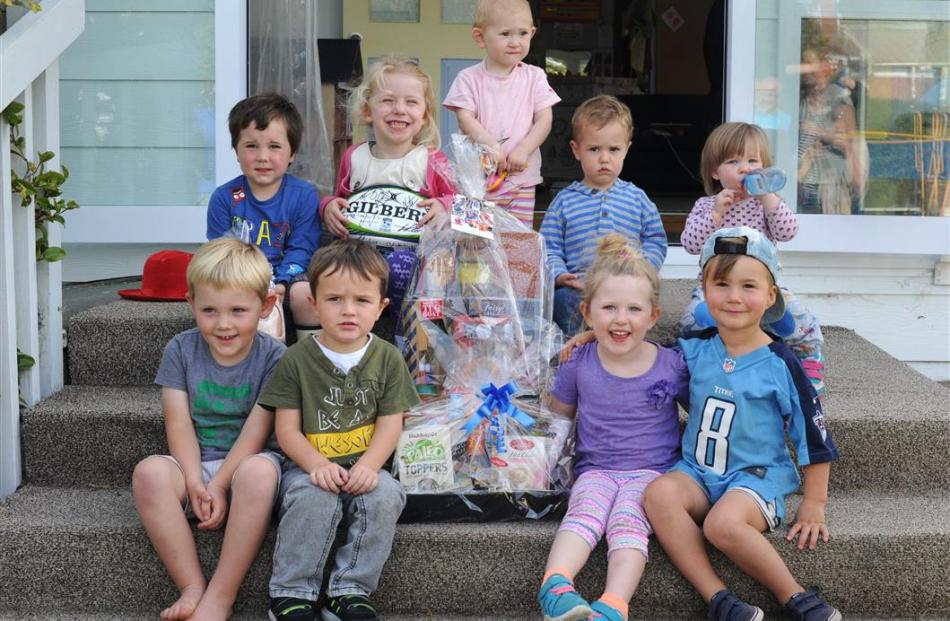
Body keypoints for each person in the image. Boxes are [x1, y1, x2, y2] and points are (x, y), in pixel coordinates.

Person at [644, 227, 841, 621]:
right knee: (658, 495)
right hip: (698, 471)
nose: (734, 296)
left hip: (755, 476)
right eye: (721, 284)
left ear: (770, 296)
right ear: (704, 289)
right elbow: (639, 361)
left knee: (722, 524)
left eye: (748, 285)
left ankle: (795, 597)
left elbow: (813, 433)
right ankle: (719, 598)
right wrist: (592, 346)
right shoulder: (691, 349)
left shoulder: (781, 364)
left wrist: (814, 503)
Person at [261, 239, 420, 621]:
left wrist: (370, 465)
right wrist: (315, 464)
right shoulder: (296, 359)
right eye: (334, 300)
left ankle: (349, 591)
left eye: (362, 301)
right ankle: (292, 591)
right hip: (306, 467)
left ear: (381, 306)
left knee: (386, 495)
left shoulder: (388, 358)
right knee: (314, 497)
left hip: (367, 466)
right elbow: (287, 430)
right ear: (313, 303)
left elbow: (390, 421)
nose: (348, 311)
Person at [131, 237, 286, 621]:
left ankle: (220, 595)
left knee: (258, 473)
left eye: (238, 310)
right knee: (148, 473)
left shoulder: (274, 356)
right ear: (191, 305)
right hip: (196, 462)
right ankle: (192, 586)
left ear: (265, 306)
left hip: (249, 468)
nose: (223, 324)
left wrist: (219, 484)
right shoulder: (180, 350)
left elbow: (256, 429)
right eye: (210, 311)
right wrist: (197, 482)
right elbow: (178, 422)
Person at [537, 234, 689, 621]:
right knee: (584, 513)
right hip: (596, 469)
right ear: (587, 313)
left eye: (634, 309)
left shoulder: (671, 364)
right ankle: (556, 585)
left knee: (628, 523)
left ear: (653, 316)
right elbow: (560, 417)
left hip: (653, 475)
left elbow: (703, 411)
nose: (621, 319)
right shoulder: (579, 361)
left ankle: (613, 604)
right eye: (609, 308)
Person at [679, 122, 826, 394]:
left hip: (763, 288)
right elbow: (690, 243)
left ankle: (807, 359)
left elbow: (788, 230)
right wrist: (715, 216)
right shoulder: (706, 205)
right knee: (692, 320)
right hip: (716, 286)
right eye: (733, 161)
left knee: (800, 319)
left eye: (752, 161)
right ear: (715, 171)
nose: (744, 168)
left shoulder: (766, 204)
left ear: (765, 168)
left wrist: (769, 197)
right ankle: (696, 361)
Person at [320, 54, 456, 315]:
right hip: (359, 255)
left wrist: (443, 205)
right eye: (388, 101)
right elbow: (341, 201)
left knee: (400, 265)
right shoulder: (354, 156)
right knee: (326, 265)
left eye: (411, 102)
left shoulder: (431, 160)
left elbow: (459, 204)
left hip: (414, 259)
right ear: (367, 111)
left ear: (425, 115)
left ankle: (402, 332)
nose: (400, 109)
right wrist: (327, 207)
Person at [540, 95, 668, 337]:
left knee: (647, 301)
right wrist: (559, 273)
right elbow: (549, 246)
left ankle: (629, 344)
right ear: (576, 150)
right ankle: (578, 346)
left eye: (614, 149)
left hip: (627, 285)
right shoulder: (564, 201)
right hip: (581, 288)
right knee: (562, 300)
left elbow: (656, 239)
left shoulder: (637, 198)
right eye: (594, 149)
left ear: (627, 150)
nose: (604, 158)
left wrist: (645, 267)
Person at [207, 93, 322, 339]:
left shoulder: (303, 196)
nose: (262, 156)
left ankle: (308, 360)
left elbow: (302, 249)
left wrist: (281, 283)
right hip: (240, 276)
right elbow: (221, 253)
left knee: (307, 294)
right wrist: (253, 283)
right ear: (236, 151)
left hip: (291, 275)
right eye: (251, 146)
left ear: (292, 154)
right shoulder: (224, 198)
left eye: (274, 146)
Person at [443, 0, 561, 228]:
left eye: (523, 33)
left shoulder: (535, 77)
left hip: (521, 179)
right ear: (480, 38)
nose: (515, 42)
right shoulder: (468, 78)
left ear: (532, 33)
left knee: (518, 239)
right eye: (505, 33)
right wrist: (491, 145)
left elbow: (545, 119)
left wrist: (524, 150)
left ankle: (513, 266)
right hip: (476, 180)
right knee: (473, 242)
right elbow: (465, 117)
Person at [798, 47, 865, 215]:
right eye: (803, 64)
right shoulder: (801, 100)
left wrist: (821, 133)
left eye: (810, 64)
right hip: (802, 189)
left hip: (829, 191)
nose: (805, 69)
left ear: (825, 68)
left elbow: (849, 143)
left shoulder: (839, 99)